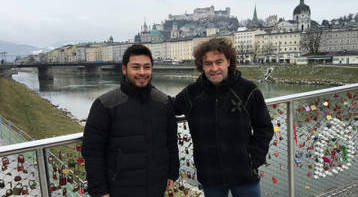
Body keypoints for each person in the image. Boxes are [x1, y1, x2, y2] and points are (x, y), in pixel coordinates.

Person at [173, 38, 274, 197]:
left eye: (219, 62)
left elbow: (265, 128)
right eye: (208, 63)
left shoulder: (248, 90)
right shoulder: (193, 93)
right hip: (210, 175)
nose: (214, 68)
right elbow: (168, 106)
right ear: (202, 66)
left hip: (244, 174)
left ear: (228, 62)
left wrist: (253, 159)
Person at [82, 44, 179, 197]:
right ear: (124, 69)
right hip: (119, 188)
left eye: (147, 67)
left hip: (155, 186)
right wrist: (99, 191)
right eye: (136, 67)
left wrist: (172, 172)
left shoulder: (163, 102)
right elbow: (92, 151)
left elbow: (171, 142)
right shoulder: (105, 104)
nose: (142, 72)